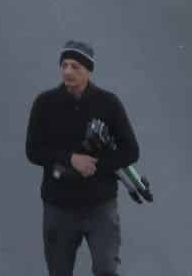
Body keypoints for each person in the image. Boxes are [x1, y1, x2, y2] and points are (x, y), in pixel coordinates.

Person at [25, 41, 139, 276]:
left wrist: (97, 166)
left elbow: (130, 151)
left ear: (88, 70)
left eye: (75, 66)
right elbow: (33, 150)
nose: (68, 71)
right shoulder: (45, 104)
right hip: (59, 206)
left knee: (106, 269)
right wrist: (70, 159)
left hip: (100, 205)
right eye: (64, 65)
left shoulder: (109, 104)